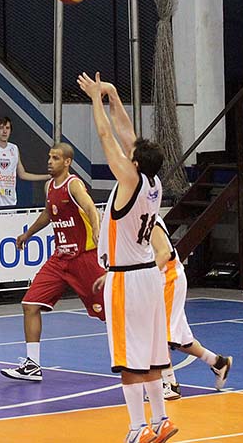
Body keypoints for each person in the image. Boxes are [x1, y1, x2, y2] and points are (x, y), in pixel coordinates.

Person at [77, 72, 177, 443]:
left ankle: (138, 428)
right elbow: (127, 134)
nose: (126, 150)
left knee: (127, 360)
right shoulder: (154, 182)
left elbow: (108, 137)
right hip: (148, 275)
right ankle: (162, 420)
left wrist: (94, 100)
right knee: (151, 357)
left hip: (128, 279)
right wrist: (115, 95)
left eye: (130, 154)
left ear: (134, 163)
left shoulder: (130, 181)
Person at [0, 143, 104, 382]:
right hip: (60, 258)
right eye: (49, 157)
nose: (49, 161)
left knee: (113, 313)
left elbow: (90, 207)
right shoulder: (49, 186)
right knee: (30, 304)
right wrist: (28, 234)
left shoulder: (73, 184)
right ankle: (32, 365)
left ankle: (146, 365)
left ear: (67, 162)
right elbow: (49, 213)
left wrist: (97, 228)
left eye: (55, 158)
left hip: (84, 258)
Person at [151, 215, 233, 400]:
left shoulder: (149, 220)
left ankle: (169, 384)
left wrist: (144, 278)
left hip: (168, 279)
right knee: (181, 338)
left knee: (158, 334)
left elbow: (165, 254)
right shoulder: (134, 220)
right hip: (162, 281)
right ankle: (218, 362)